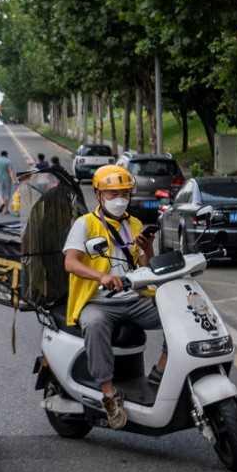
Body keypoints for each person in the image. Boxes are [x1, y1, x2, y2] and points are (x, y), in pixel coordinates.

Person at [62, 164, 162, 429]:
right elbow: (70, 263)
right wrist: (101, 277)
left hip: (133, 298)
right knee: (94, 324)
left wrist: (147, 248)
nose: (119, 199)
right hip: (98, 301)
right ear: (98, 195)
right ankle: (108, 393)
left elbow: (145, 265)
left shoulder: (136, 223)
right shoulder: (85, 224)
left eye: (124, 193)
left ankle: (159, 374)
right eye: (112, 194)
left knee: (176, 317)